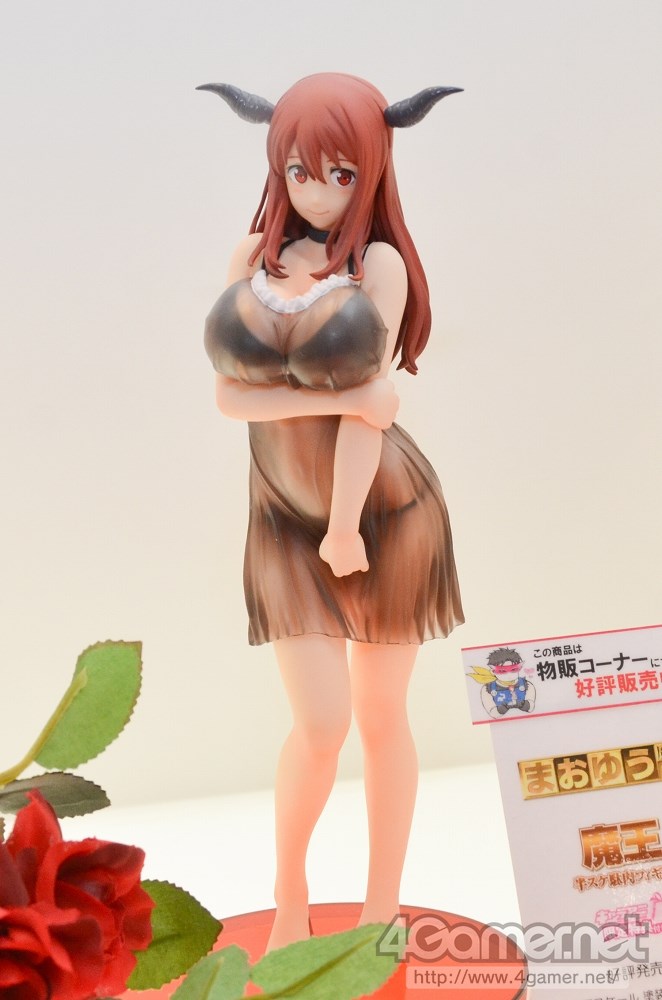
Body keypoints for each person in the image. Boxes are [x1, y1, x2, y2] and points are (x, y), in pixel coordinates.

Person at [199, 72, 464, 950]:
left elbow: (368, 421)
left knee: (382, 719)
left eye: (342, 174)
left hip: (384, 512)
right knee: (318, 726)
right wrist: (346, 399)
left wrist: (347, 524)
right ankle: (289, 898)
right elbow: (232, 399)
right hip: (282, 516)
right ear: (278, 163)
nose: (318, 192)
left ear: (373, 169)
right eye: (302, 170)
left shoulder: (376, 266)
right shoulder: (253, 258)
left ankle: (383, 909)